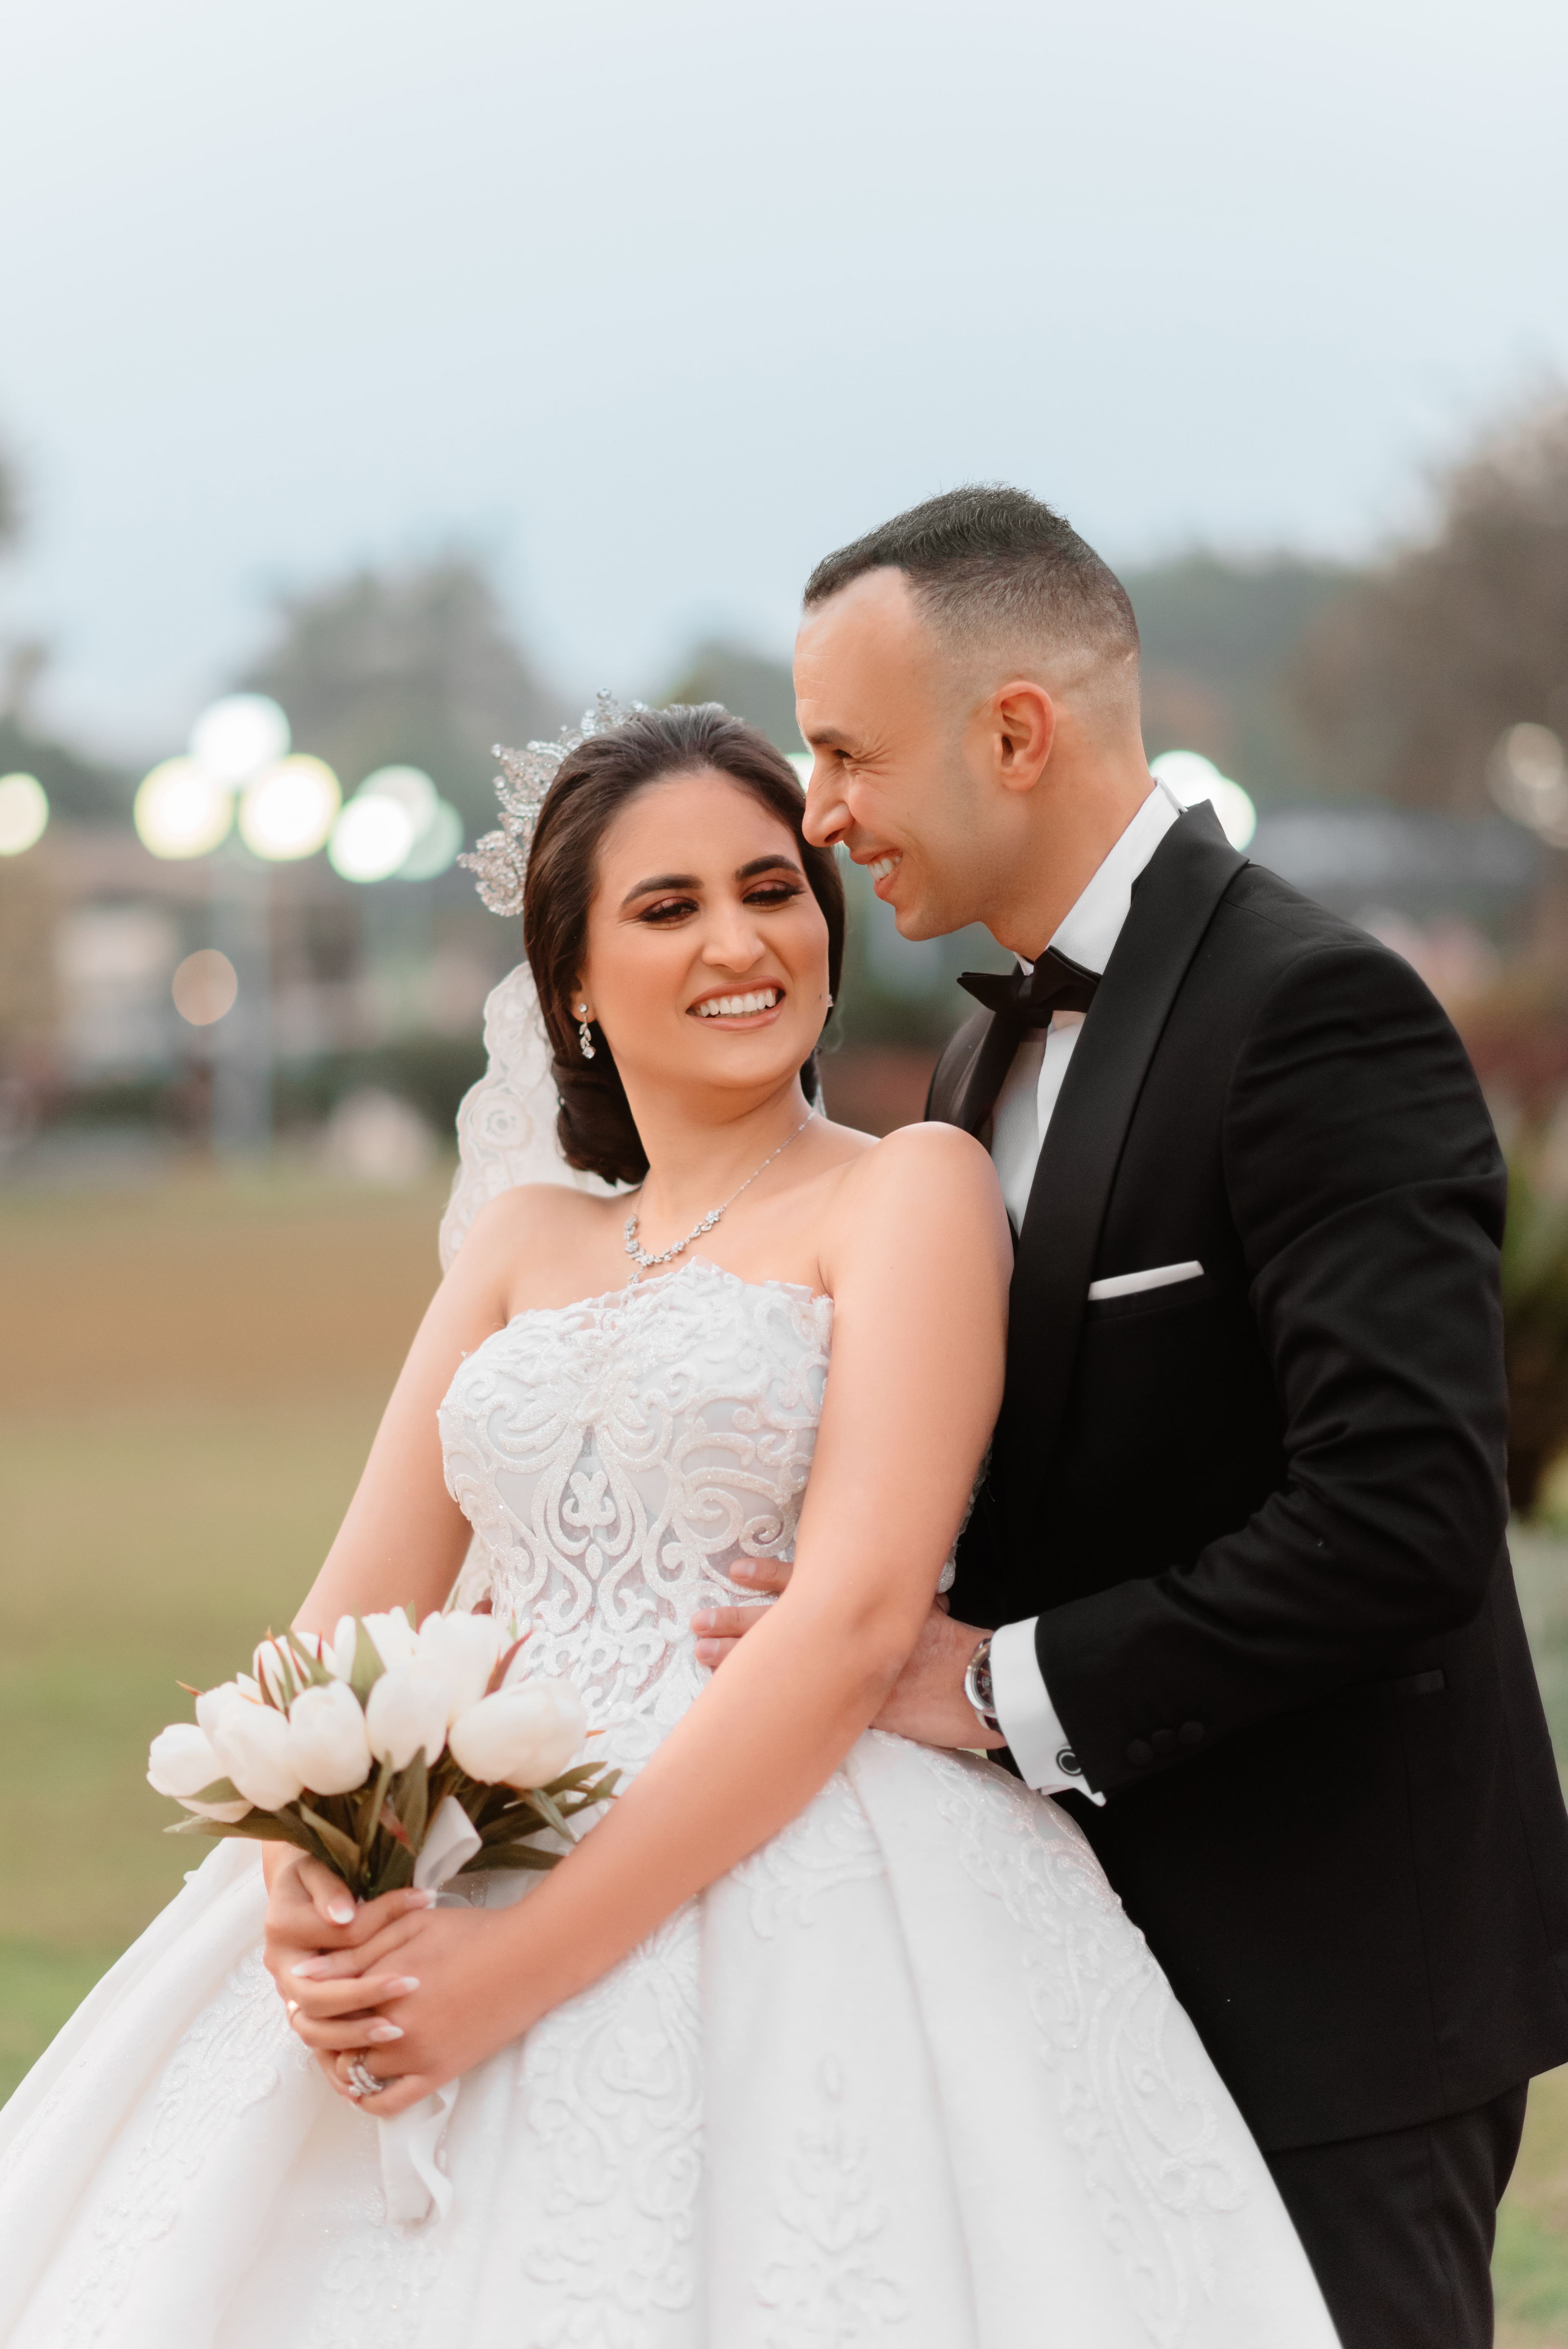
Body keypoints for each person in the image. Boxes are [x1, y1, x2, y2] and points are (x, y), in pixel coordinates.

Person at [0, 702, 1339, 2347]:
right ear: (568, 976)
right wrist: (297, 1857)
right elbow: (345, 1617)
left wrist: (511, 1969)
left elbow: (852, 1623)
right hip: (465, 1828)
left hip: (806, 1847)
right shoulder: (517, 1237)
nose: (741, 941)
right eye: (668, 905)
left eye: (773, 889)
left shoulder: (906, 1187)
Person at [701, 486, 1568, 2349]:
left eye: (848, 752)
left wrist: (994, 1684)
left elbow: (1406, 1513)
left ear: (1016, 732)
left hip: (1337, 1968)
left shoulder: (1317, 1010)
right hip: (1078, 1960)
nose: (820, 810)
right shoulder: (975, 1044)